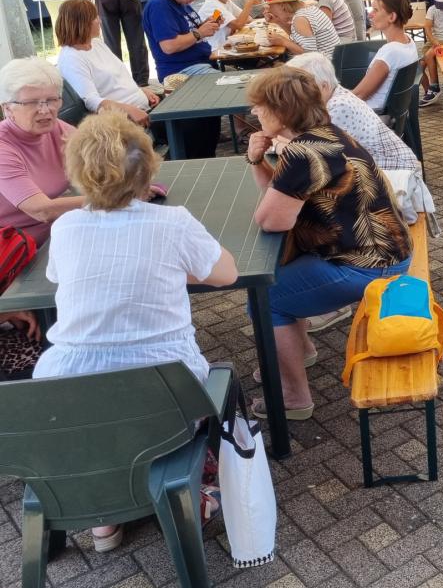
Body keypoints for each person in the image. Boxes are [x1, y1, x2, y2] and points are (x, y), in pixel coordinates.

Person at [34, 112, 236, 553]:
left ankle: (104, 519)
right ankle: (188, 494)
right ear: (147, 171)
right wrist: (168, 269)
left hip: (66, 397)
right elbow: (226, 273)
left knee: (97, 415)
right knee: (184, 401)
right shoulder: (173, 222)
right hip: (166, 400)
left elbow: (59, 277)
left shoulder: (65, 227)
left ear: (78, 173)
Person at [245, 68, 411, 420]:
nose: (254, 112)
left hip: (367, 266)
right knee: (282, 280)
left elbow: (272, 220)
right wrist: (258, 160)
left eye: (260, 106)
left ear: (281, 111)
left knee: (265, 298)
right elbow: (282, 196)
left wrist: (260, 163)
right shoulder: (328, 134)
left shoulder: (303, 153)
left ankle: (293, 397)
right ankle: (299, 351)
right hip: (387, 252)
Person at [287, 54, 422, 172]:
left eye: (301, 88)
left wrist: (280, 140)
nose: (295, 94)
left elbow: (312, 154)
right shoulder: (336, 94)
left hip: (395, 176)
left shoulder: (338, 106)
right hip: (382, 170)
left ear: (324, 86)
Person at [0, 58, 84, 245]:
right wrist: (110, 200)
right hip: (17, 247)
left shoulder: (58, 129)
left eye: (52, 100)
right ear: (8, 109)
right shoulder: (3, 147)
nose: (45, 110)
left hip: (58, 231)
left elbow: (98, 165)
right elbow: (42, 210)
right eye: (32, 103)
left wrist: (129, 186)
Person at [56, 0, 158, 126]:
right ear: (81, 23)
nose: (99, 21)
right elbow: (91, 101)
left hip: (143, 107)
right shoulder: (72, 59)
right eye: (95, 18)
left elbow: (117, 80)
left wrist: (140, 91)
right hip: (125, 121)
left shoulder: (96, 43)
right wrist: (130, 110)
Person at [142, 0, 218, 79]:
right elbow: (169, 46)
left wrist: (205, 25)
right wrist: (200, 32)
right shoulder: (159, 5)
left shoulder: (181, 2)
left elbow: (188, 31)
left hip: (202, 64)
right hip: (182, 70)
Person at [350, 0, 419, 112]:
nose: (370, 14)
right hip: (390, 112)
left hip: (373, 114)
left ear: (392, 17)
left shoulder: (390, 52)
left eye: (375, 10)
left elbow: (359, 94)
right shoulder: (409, 42)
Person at [263, 0, 339, 58]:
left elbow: (311, 56)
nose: (269, 10)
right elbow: (297, 40)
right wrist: (278, 21)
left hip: (326, 64)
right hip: (331, 60)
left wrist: (283, 41)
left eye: (270, 6)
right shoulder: (307, 10)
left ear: (282, 6)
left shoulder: (300, 19)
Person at [199, 0, 263, 49]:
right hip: (216, 49)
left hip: (226, 45)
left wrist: (236, 24)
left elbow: (248, 19)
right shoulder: (213, 5)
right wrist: (249, 4)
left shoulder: (226, 1)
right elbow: (238, 24)